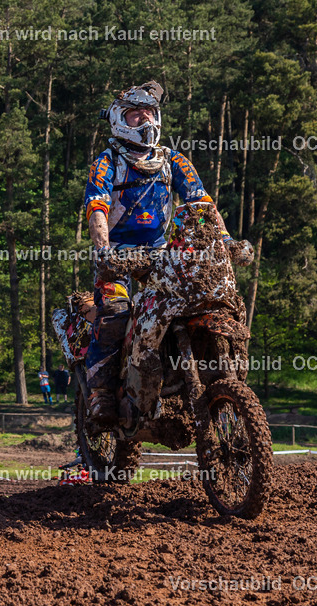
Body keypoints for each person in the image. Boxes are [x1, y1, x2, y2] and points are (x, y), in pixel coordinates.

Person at [83, 80, 236, 427]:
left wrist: (224, 240)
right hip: (119, 254)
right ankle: (101, 394)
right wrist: (104, 251)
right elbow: (97, 208)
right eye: (135, 115)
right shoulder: (106, 163)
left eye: (149, 113)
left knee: (197, 298)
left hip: (160, 252)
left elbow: (201, 203)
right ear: (120, 120)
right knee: (115, 314)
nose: (145, 121)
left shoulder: (173, 160)